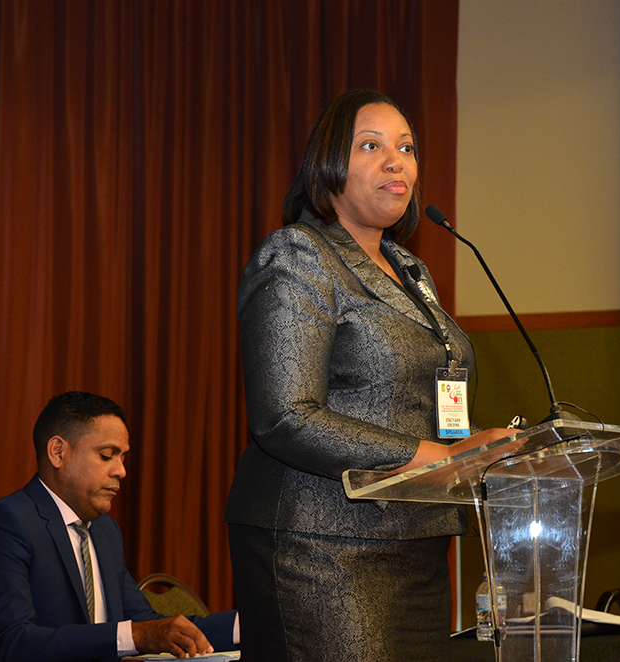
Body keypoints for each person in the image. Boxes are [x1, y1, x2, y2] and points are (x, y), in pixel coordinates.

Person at [225, 89, 513, 661]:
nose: (395, 161)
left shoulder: (412, 269)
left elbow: (421, 400)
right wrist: (437, 457)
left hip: (417, 543)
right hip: (322, 547)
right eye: (371, 146)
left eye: (406, 148)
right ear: (327, 165)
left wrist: (480, 453)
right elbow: (284, 417)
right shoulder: (298, 254)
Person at [0, 391, 241, 662]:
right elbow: (12, 642)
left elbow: (147, 624)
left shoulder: (105, 530)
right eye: (107, 455)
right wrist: (134, 635)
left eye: (123, 457)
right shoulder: (6, 523)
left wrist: (246, 625)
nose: (121, 471)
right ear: (58, 452)